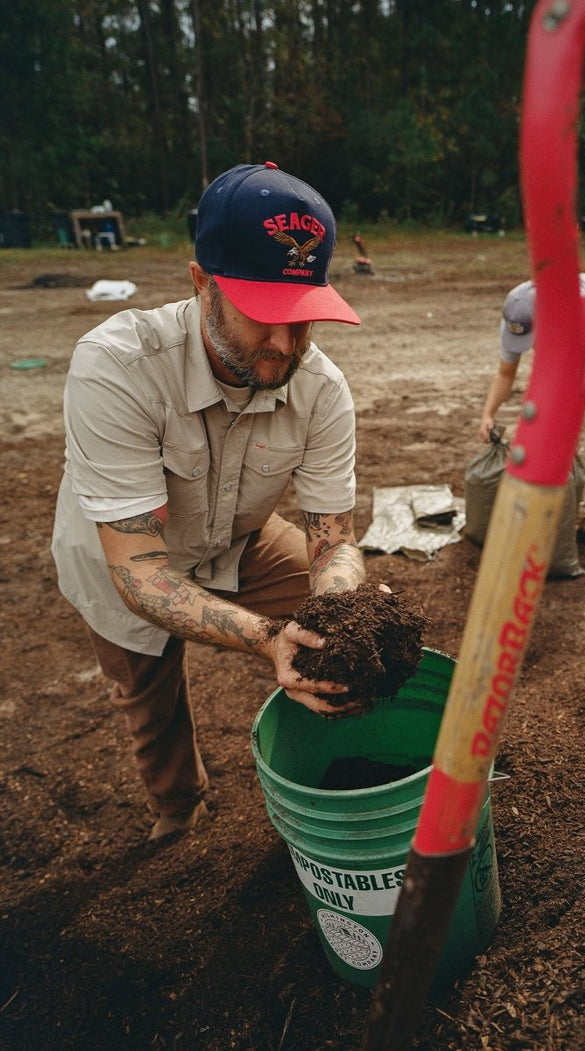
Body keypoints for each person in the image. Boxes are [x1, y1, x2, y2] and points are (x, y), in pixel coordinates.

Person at [52, 161, 373, 842]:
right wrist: (266, 639)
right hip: (123, 558)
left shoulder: (321, 388)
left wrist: (339, 606)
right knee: (152, 699)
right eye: (265, 316)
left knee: (344, 624)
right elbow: (140, 571)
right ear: (202, 283)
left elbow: (334, 539)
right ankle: (179, 805)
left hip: (239, 536)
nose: (287, 345)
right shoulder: (117, 366)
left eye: (303, 317)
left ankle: (366, 766)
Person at [478, 273, 585, 545]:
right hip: (562, 338)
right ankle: (554, 505)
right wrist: (488, 413)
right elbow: (505, 373)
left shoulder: (579, 312)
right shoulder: (517, 317)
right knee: (552, 427)